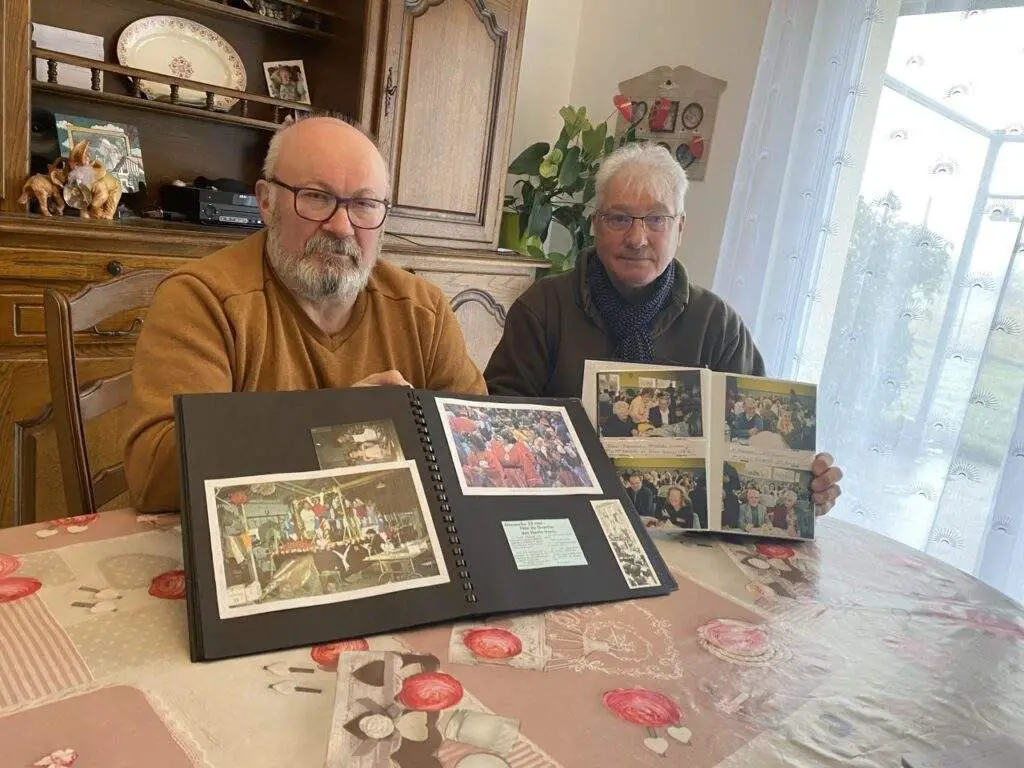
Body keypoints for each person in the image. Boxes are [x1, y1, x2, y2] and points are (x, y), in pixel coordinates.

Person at [123, 116, 484, 511]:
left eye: (364, 204)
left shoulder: (424, 310)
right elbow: (155, 475)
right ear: (266, 201)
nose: (342, 226)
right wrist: (334, 426)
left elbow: (476, 445)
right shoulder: (202, 299)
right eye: (317, 197)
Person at [485, 142, 842, 514]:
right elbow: (498, 423)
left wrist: (802, 484)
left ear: (680, 228)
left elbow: (756, 444)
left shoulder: (717, 325)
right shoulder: (543, 307)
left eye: (656, 219)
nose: (637, 238)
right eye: (619, 218)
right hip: (560, 511)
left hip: (679, 525)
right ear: (595, 225)